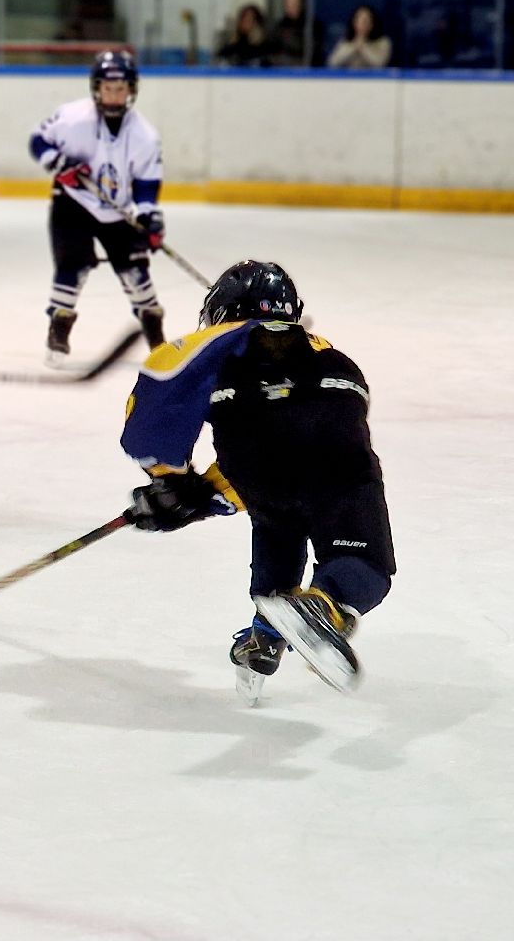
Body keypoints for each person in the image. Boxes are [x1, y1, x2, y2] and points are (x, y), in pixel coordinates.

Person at [119, 260, 395, 700]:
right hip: (336, 437)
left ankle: (268, 631)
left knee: (276, 512)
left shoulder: (210, 340)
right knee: (364, 566)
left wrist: (174, 483)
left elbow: (152, 422)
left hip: (259, 460)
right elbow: (333, 421)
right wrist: (201, 494)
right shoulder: (323, 346)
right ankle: (309, 612)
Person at [27, 49, 167, 363]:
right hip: (73, 202)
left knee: (135, 271)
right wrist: (59, 162)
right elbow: (38, 139)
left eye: (120, 89)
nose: (114, 95)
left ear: (131, 90)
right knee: (72, 266)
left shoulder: (145, 135)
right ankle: (58, 332)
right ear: (97, 88)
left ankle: (156, 338)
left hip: (116, 208)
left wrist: (149, 218)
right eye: (108, 88)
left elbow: (146, 184)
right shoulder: (73, 118)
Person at [268, 0, 322, 67]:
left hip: (307, 72)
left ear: (301, 3)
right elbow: (272, 50)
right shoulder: (279, 26)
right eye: (288, 2)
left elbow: (311, 52)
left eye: (294, 2)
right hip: (281, 71)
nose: (290, 5)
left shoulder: (312, 25)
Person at [326, 5, 392, 69]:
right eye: (358, 19)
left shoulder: (383, 42)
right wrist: (353, 47)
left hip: (373, 79)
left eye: (365, 21)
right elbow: (332, 63)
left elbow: (380, 64)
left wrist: (363, 47)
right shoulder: (346, 41)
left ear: (372, 24)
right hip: (349, 78)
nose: (361, 24)